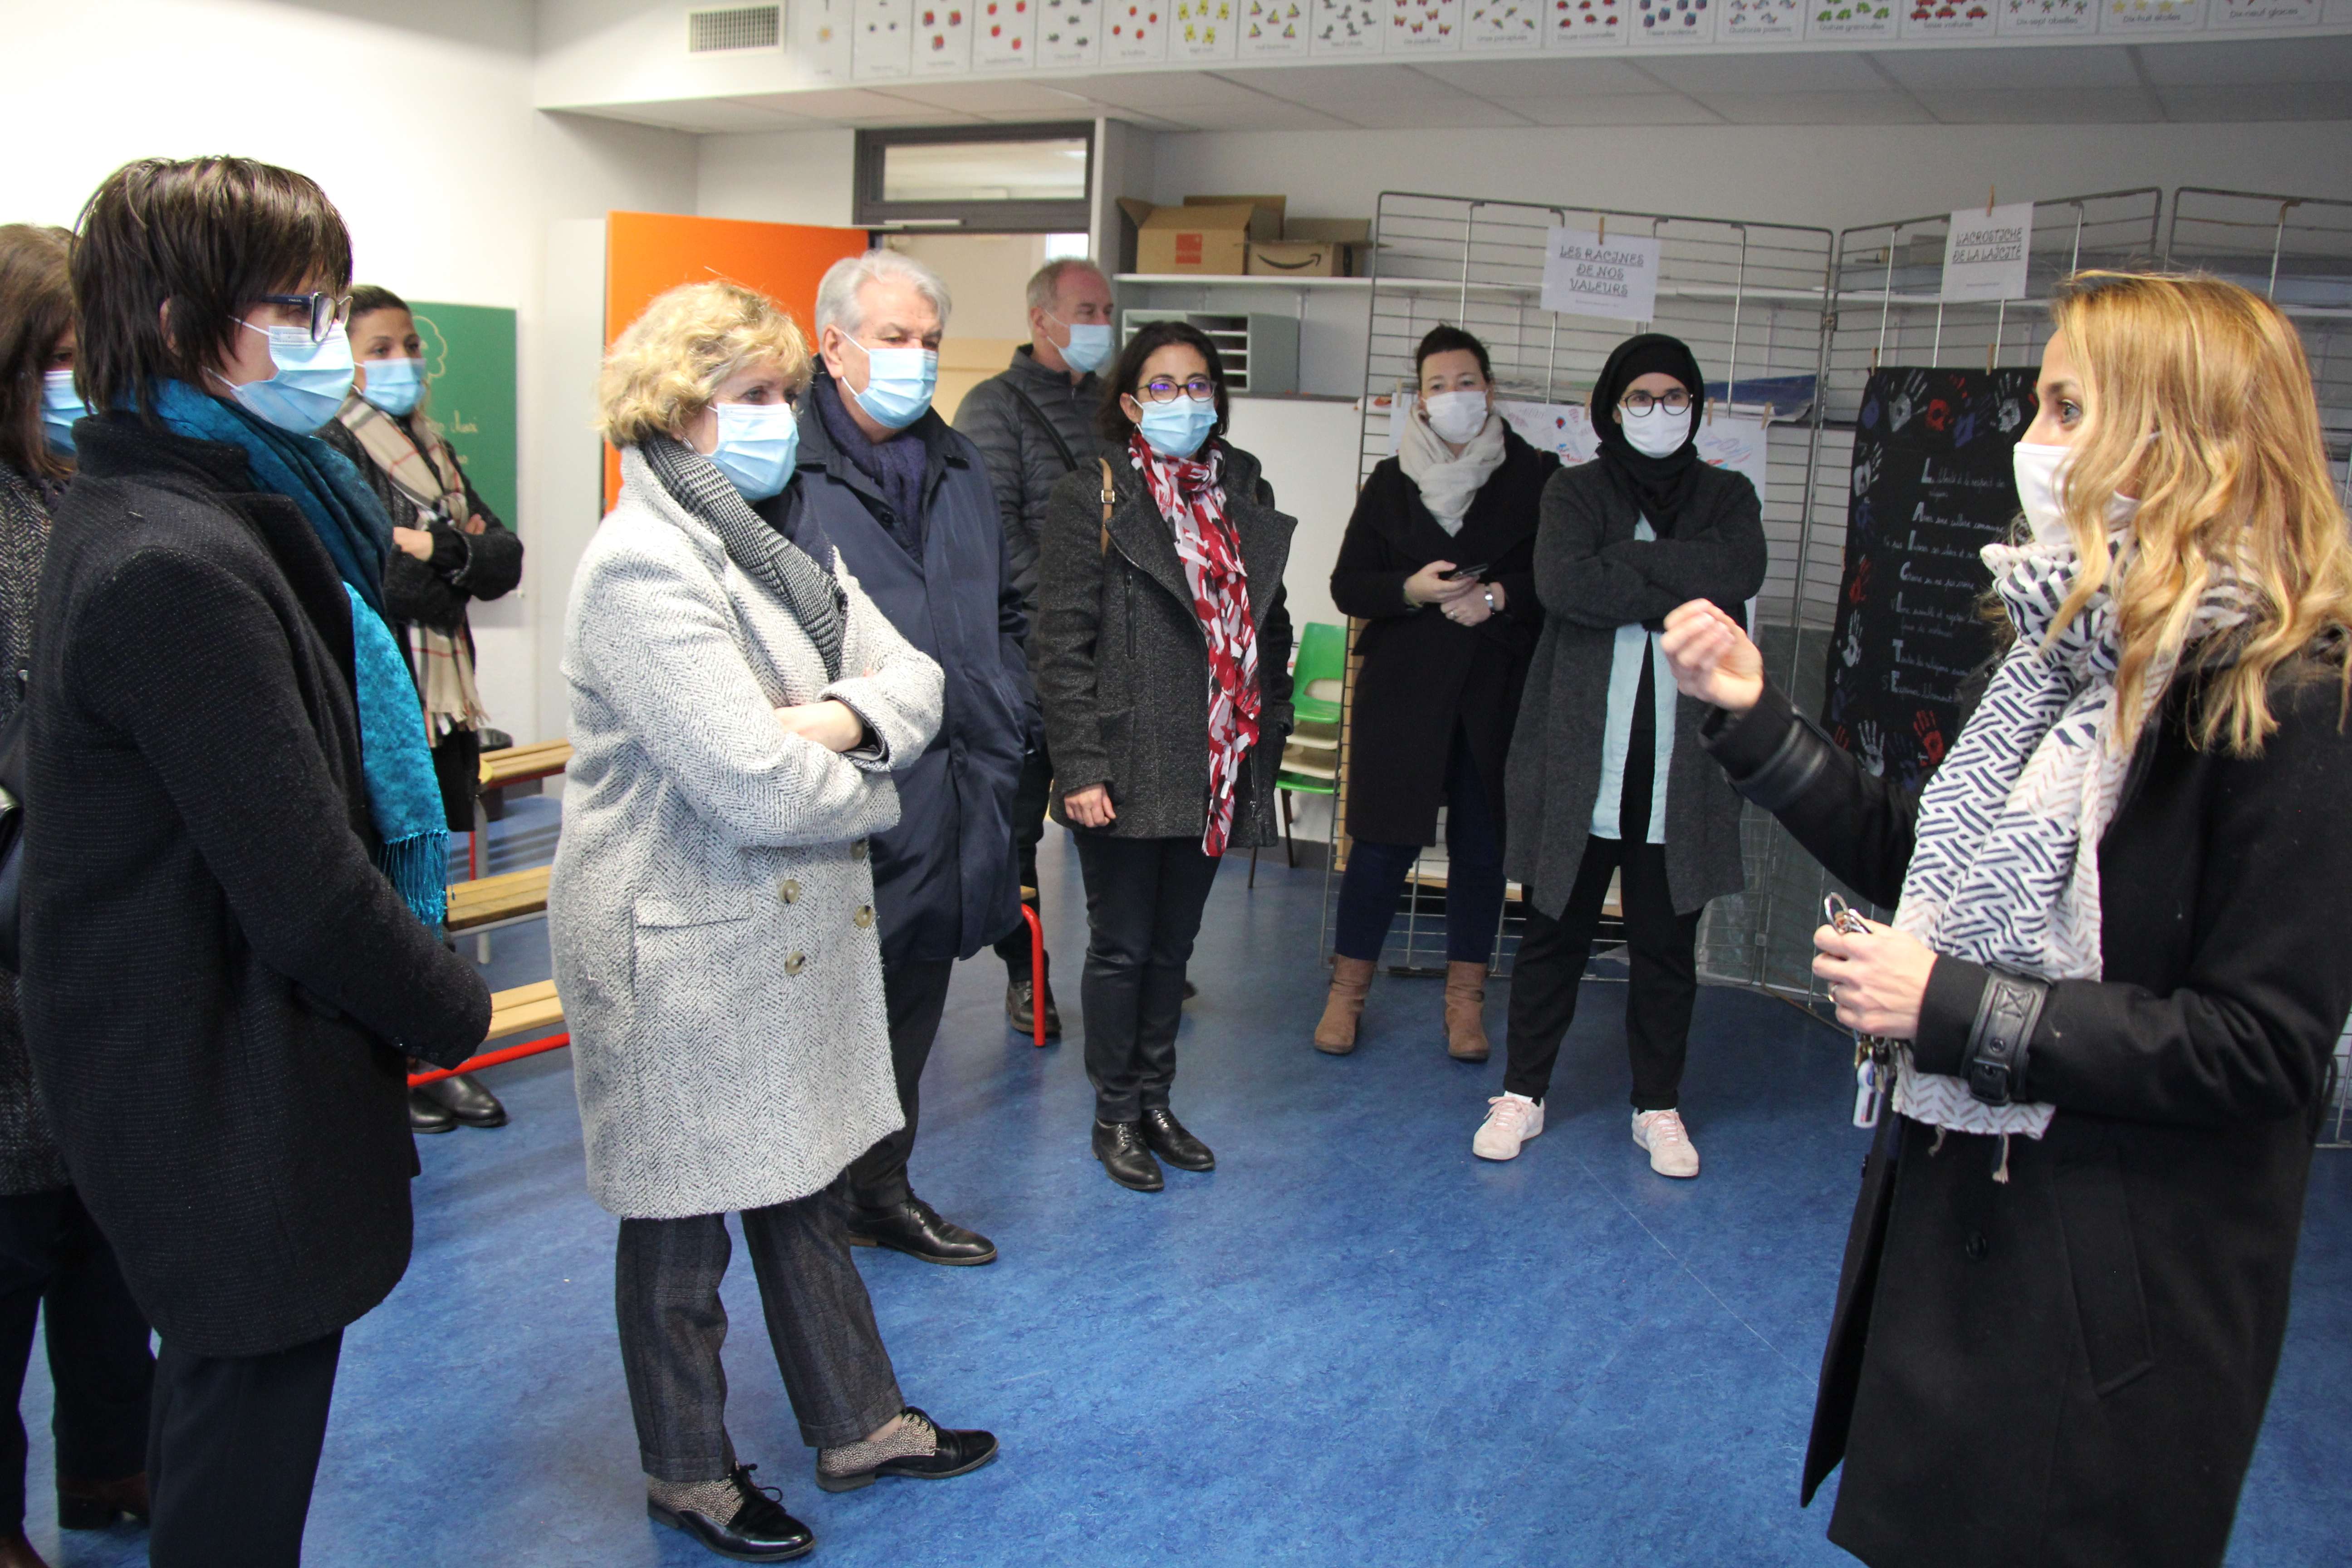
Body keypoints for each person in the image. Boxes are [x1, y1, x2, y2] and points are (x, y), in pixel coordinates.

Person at [1661, 270, 2352, 1568]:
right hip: (1968, 1224)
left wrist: (1949, 1006)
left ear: (2178, 435)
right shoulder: (2063, 654)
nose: (2034, 440)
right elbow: (1943, 865)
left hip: (2112, 1292)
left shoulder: (2288, 696)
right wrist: (1760, 721)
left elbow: (2262, 1047)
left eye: (2066, 405)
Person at [24, 157, 490, 1568]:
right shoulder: (172, 559)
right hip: (211, 1072)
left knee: (233, 1409)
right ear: (176, 326)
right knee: (242, 1438)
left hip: (222, 1058)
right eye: (297, 310)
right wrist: (456, 1004)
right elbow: (303, 885)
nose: (330, 345)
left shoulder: (202, 508)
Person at [553, 280, 992, 1563]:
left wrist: (843, 719)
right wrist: (866, 768)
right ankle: (688, 1473)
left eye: (786, 395)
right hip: (677, 939)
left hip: (770, 928)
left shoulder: (769, 548)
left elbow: (915, 677)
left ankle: (861, 1424)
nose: (781, 420)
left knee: (802, 1185)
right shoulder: (641, 564)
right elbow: (747, 783)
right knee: (682, 1223)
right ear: (678, 408)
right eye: (754, 397)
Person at [783, 250, 1032, 1266]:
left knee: (915, 1002)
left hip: (958, 781)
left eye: (929, 341)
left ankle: (880, 1191)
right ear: (833, 344)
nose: (917, 360)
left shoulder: (962, 464)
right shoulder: (780, 468)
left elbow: (1003, 603)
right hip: (841, 791)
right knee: (824, 1016)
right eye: (893, 339)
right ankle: (800, 1219)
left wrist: (1010, 704)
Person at [1475, 332, 1766, 1176]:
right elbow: (1565, 584)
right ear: (1610, 407)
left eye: (1675, 398)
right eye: (1640, 398)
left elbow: (1739, 570)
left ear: (1697, 408)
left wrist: (1628, 565)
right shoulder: (1573, 491)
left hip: (1682, 765)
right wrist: (1681, 577)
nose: (1658, 413)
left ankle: (1658, 1106)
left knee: (1666, 949)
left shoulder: (1728, 493)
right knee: (1552, 934)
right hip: (1582, 755)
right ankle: (1523, 1093)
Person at [1035, 320, 1296, 1192]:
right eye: (1162, 385)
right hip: (1124, 752)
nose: (1182, 401)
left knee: (1174, 949)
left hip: (1216, 754)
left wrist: (1272, 721)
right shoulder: (1094, 494)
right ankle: (1114, 1112)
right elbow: (1061, 642)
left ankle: (1155, 1100)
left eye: (1197, 385)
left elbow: (1272, 615)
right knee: (1121, 945)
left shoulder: (1242, 486)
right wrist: (1079, 766)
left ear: (1216, 397)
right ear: (1129, 401)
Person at [0, 224, 153, 1568]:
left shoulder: (82, 495)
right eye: (59, 362)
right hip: (15, 941)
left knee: (106, 1246)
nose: (81, 386)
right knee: (5, 1254)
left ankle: (114, 1465)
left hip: (101, 952)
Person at [1318, 324, 1558, 1062]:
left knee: (1482, 851)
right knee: (1380, 848)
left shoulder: (1540, 476)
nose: (1453, 396)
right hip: (1403, 691)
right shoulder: (1391, 481)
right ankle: (1347, 995)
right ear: (1417, 401)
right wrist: (1408, 589)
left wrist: (1497, 598)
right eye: (1437, 385)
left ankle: (1465, 1004)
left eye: (1465, 381)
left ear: (1489, 388)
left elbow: (1558, 579)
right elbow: (1347, 583)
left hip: (1496, 689)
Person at [323, 284, 525, 1138]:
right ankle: (392, 1066)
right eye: (380, 349)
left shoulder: (433, 448)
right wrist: (457, 552)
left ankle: (434, 1056)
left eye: (409, 346)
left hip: (446, 699)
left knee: (428, 882)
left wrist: (441, 544)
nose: (401, 363)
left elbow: (505, 559)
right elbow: (384, 580)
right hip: (382, 697)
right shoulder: (333, 446)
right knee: (380, 881)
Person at [955, 255, 1118, 1039]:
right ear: (1041, 319)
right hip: (1023, 658)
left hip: (1105, 660)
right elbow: (992, 531)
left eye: (1106, 311)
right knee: (1014, 838)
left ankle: (1123, 959)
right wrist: (1077, 595)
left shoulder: (1118, 411)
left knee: (1111, 820)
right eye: (1086, 310)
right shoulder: (993, 408)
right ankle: (1029, 975)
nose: (1099, 325)